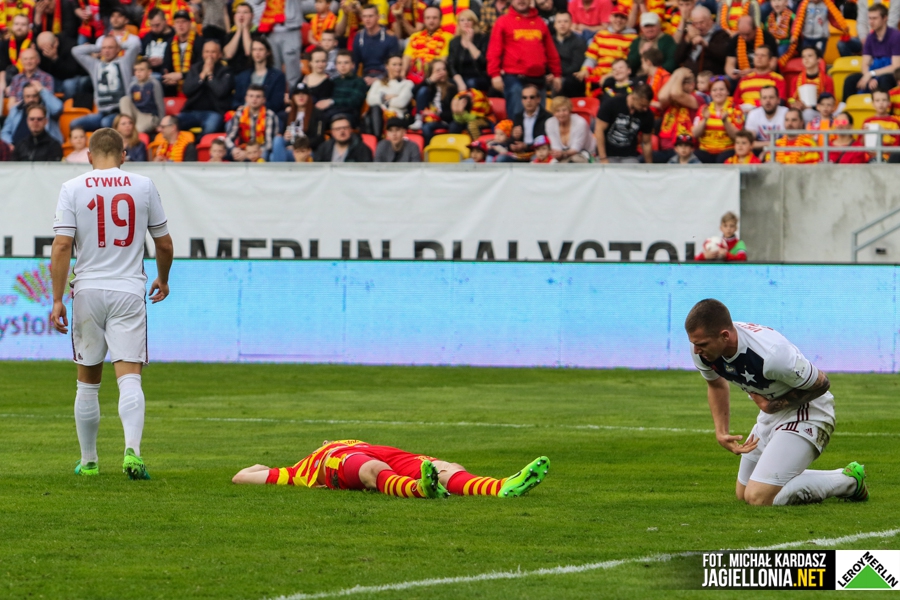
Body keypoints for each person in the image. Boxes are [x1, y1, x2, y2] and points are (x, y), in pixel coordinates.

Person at [49, 128, 173, 481]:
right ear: (124, 154)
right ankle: (132, 452)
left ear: (89, 156)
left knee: (87, 382)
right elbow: (164, 244)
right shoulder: (143, 185)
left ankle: (89, 461)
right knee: (129, 377)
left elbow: (62, 246)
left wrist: (57, 299)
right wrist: (163, 278)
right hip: (128, 290)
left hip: (88, 290)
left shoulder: (72, 187)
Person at [684, 299, 868, 507]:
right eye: (694, 343)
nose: (696, 350)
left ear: (725, 336)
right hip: (770, 415)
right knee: (743, 493)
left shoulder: (772, 355)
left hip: (809, 411)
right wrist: (721, 432)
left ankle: (848, 481)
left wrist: (773, 405)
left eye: (701, 345)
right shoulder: (702, 350)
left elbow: (822, 383)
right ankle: (783, 478)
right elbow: (716, 385)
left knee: (758, 497)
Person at [232, 439, 550, 501]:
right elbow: (240, 478)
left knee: (445, 466)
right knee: (373, 470)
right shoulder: (299, 470)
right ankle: (419, 489)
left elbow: (246, 473)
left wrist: (260, 465)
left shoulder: (348, 443)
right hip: (336, 463)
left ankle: (501, 486)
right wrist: (262, 468)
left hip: (379, 451)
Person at [487, 0, 562, 118]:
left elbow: (551, 51)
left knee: (540, 121)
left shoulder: (540, 22)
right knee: (517, 120)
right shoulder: (502, 21)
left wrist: (557, 74)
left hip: (538, 79)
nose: (521, 1)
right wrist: (494, 74)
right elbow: (494, 50)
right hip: (514, 78)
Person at [71, 33, 142, 131]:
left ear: (117, 49)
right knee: (75, 124)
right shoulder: (95, 65)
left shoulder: (125, 62)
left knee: (106, 123)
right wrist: (97, 48)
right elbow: (75, 51)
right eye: (104, 48)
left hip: (120, 112)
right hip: (102, 113)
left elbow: (135, 45)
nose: (107, 51)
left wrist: (119, 45)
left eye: (110, 47)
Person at [844, 5, 900, 101]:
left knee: (885, 79)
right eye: (869, 18)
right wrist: (868, 77)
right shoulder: (870, 38)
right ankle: (846, 107)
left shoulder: (896, 36)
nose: (871, 22)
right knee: (851, 80)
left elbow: (896, 66)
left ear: (885, 18)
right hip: (873, 73)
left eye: (874, 18)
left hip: (890, 74)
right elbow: (865, 64)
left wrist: (871, 74)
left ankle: (885, 107)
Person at [179, 39, 234, 136]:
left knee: (210, 128)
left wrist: (210, 75)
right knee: (172, 124)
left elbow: (221, 92)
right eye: (207, 52)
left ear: (220, 55)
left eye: (213, 52)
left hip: (214, 113)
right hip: (191, 112)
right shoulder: (195, 68)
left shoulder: (226, 71)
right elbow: (186, 90)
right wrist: (202, 75)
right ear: (202, 54)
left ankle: (198, 144)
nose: (209, 55)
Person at [578, 9, 636, 97]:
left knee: (607, 83)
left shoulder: (633, 38)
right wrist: (585, 70)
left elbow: (626, 64)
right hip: (597, 73)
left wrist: (610, 75)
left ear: (627, 20)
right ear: (610, 18)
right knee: (572, 82)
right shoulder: (600, 34)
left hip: (616, 75)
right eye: (616, 16)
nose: (619, 20)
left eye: (622, 17)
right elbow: (591, 57)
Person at [594, 81, 654, 163]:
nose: (645, 109)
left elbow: (646, 143)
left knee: (633, 166)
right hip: (608, 154)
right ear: (633, 97)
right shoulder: (612, 104)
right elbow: (599, 130)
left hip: (629, 156)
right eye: (642, 105)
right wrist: (603, 158)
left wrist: (649, 166)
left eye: (647, 106)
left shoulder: (647, 114)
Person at [656, 66, 704, 162]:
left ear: (692, 85)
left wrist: (679, 74)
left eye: (682, 82)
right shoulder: (670, 98)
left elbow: (676, 93)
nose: (677, 84)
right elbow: (661, 97)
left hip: (686, 149)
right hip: (667, 149)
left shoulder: (698, 99)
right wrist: (675, 75)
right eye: (678, 82)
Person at [272, 82, 328, 160]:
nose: (300, 96)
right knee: (278, 140)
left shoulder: (317, 114)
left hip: (307, 150)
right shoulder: (288, 114)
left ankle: (279, 167)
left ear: (309, 96)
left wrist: (298, 146)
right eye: (297, 94)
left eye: (304, 93)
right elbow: (285, 135)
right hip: (291, 146)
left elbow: (318, 139)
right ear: (293, 97)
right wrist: (286, 137)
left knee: (273, 157)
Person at [692, 76, 742, 163]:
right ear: (710, 93)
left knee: (721, 159)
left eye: (721, 89)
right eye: (714, 90)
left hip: (727, 151)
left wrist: (725, 121)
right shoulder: (704, 108)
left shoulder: (735, 109)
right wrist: (704, 120)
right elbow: (694, 134)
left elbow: (737, 137)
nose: (718, 92)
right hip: (705, 151)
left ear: (727, 92)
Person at [1, 81, 63, 148]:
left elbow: (58, 108)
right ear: (23, 97)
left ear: (39, 95)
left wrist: (42, 90)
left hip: (44, 149)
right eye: (28, 96)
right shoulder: (16, 110)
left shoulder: (47, 108)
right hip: (18, 149)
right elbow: (5, 132)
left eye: (34, 96)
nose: (31, 99)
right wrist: (9, 145)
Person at [226, 83, 279, 160]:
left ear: (264, 100)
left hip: (261, 151)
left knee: (266, 155)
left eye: (258, 96)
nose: (254, 99)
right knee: (221, 152)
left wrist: (250, 154)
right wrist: (234, 150)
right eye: (251, 96)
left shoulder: (270, 116)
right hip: (243, 149)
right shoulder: (239, 114)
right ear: (246, 98)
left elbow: (269, 144)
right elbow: (229, 138)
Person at [233, 37, 286, 113]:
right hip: (244, 114)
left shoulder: (277, 76)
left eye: (261, 49)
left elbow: (276, 103)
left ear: (268, 52)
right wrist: (239, 107)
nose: (257, 52)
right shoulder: (242, 76)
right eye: (254, 49)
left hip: (267, 114)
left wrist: (255, 108)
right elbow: (236, 100)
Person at [365, 54, 414, 137]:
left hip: (398, 117)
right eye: (394, 64)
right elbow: (369, 100)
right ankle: (377, 138)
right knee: (375, 108)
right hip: (379, 117)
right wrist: (386, 97)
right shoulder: (378, 83)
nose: (398, 67)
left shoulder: (408, 84)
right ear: (387, 66)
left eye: (400, 64)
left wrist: (382, 99)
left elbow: (401, 103)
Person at [403, 6, 453, 84]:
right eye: (428, 18)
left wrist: (431, 78)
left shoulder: (448, 37)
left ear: (440, 20)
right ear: (424, 20)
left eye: (434, 18)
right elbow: (407, 57)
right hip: (413, 77)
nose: (431, 21)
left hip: (435, 78)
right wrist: (402, 74)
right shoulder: (415, 36)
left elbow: (443, 60)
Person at [351, 3, 399, 83]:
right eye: (364, 16)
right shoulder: (358, 37)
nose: (367, 19)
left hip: (385, 77)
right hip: (365, 77)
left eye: (370, 16)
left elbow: (394, 65)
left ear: (378, 17)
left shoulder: (390, 37)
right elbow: (355, 63)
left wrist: (379, 80)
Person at [675, 6, 729, 76]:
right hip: (688, 75)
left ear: (710, 20)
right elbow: (677, 58)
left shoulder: (721, 34)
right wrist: (687, 40)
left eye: (701, 22)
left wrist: (706, 44)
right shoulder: (690, 35)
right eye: (695, 23)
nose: (698, 26)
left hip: (710, 77)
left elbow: (724, 55)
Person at [412, 59, 457, 141]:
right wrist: (430, 80)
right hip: (429, 118)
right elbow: (414, 92)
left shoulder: (452, 87)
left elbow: (452, 114)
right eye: (438, 70)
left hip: (444, 121)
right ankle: (418, 120)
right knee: (423, 90)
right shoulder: (429, 86)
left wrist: (436, 113)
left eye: (444, 69)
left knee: (426, 127)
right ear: (431, 73)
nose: (442, 72)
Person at [724, 15, 779, 81]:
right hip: (741, 76)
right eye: (742, 34)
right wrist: (733, 73)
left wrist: (752, 71)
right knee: (724, 81)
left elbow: (772, 65)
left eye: (748, 34)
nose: (745, 37)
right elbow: (729, 64)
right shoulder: (735, 40)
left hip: (764, 75)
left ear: (755, 29)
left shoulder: (768, 38)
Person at [119, 58, 165, 135]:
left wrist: (161, 124)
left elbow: (160, 104)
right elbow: (129, 104)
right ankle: (127, 123)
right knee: (124, 99)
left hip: (149, 115)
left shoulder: (154, 84)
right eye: (136, 70)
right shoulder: (133, 85)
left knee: (137, 130)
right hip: (136, 114)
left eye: (141, 70)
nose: (138, 72)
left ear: (149, 72)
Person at [732, 45, 785, 112]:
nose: (759, 58)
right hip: (743, 114)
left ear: (770, 60)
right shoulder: (744, 79)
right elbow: (735, 102)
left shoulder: (778, 79)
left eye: (763, 55)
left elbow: (780, 102)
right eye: (756, 55)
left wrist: (754, 105)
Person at [161, 10, 202, 96]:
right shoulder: (170, 42)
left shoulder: (199, 41)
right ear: (174, 25)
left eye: (183, 22)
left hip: (193, 80)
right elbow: (166, 64)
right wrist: (167, 74)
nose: (180, 25)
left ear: (190, 24)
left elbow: (199, 67)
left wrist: (181, 75)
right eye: (177, 22)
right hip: (174, 82)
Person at [544, 95, 596, 162]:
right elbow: (556, 148)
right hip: (564, 155)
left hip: (585, 153)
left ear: (569, 110)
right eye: (557, 111)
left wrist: (562, 154)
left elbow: (576, 149)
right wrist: (557, 154)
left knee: (573, 160)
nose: (561, 114)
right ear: (553, 113)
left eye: (564, 110)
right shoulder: (550, 123)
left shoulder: (580, 122)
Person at [447, 9, 489, 92]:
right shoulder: (454, 42)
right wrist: (460, 83)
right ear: (459, 23)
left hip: (479, 77)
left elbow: (483, 62)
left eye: (469, 20)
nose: (465, 22)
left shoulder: (483, 38)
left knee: (471, 83)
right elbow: (451, 65)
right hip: (460, 78)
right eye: (462, 20)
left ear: (474, 22)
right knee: (447, 84)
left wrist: (469, 43)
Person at [789, 47, 833, 123]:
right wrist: (795, 104)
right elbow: (791, 99)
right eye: (804, 57)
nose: (806, 59)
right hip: (801, 111)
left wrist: (811, 107)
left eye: (810, 56)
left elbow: (830, 101)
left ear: (818, 59)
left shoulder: (827, 80)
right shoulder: (795, 80)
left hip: (821, 111)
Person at [322, 50, 367, 125]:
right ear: (336, 66)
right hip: (331, 112)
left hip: (349, 114)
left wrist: (332, 102)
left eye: (346, 63)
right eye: (339, 63)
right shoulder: (334, 81)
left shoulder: (359, 82)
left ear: (353, 65)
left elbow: (354, 101)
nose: (342, 66)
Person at [269, 0, 303, 89]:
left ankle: (293, 95)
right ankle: (275, 95)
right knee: (273, 70)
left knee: (293, 72)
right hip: (269, 29)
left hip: (291, 28)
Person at [553, 12, 588, 98]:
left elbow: (576, 66)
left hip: (569, 77)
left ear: (571, 24)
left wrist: (557, 75)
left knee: (568, 81)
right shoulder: (549, 41)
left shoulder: (579, 42)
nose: (562, 24)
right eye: (559, 22)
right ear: (554, 25)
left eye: (565, 21)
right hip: (552, 74)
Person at [744, 85, 788, 151]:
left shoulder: (787, 113)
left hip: (782, 151)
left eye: (771, 97)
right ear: (760, 101)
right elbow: (748, 143)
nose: (768, 101)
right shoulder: (753, 114)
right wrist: (770, 145)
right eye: (764, 98)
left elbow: (790, 141)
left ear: (778, 100)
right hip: (760, 150)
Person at [862, 89, 900, 162]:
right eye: (877, 100)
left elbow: (898, 143)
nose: (881, 103)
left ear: (889, 103)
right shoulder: (868, 121)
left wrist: (885, 131)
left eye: (884, 100)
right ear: (872, 103)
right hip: (871, 158)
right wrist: (864, 135)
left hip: (890, 158)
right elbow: (860, 144)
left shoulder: (895, 122)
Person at [141, 8, 174, 79]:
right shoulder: (148, 36)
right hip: (148, 73)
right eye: (152, 25)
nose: (154, 28)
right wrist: (147, 61)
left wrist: (164, 61)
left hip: (167, 75)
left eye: (157, 25)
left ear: (165, 21)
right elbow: (141, 55)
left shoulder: (174, 36)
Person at [635, 47, 669, 116]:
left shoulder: (665, 77)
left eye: (642, 63)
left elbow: (667, 104)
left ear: (648, 62)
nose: (641, 66)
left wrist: (646, 102)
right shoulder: (650, 78)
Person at [222, 2, 254, 74]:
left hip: (250, 72)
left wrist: (245, 28)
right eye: (238, 12)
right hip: (232, 73)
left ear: (252, 16)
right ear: (235, 16)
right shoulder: (230, 35)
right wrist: (239, 31)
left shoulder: (256, 33)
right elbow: (228, 55)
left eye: (245, 12)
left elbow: (249, 52)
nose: (241, 15)